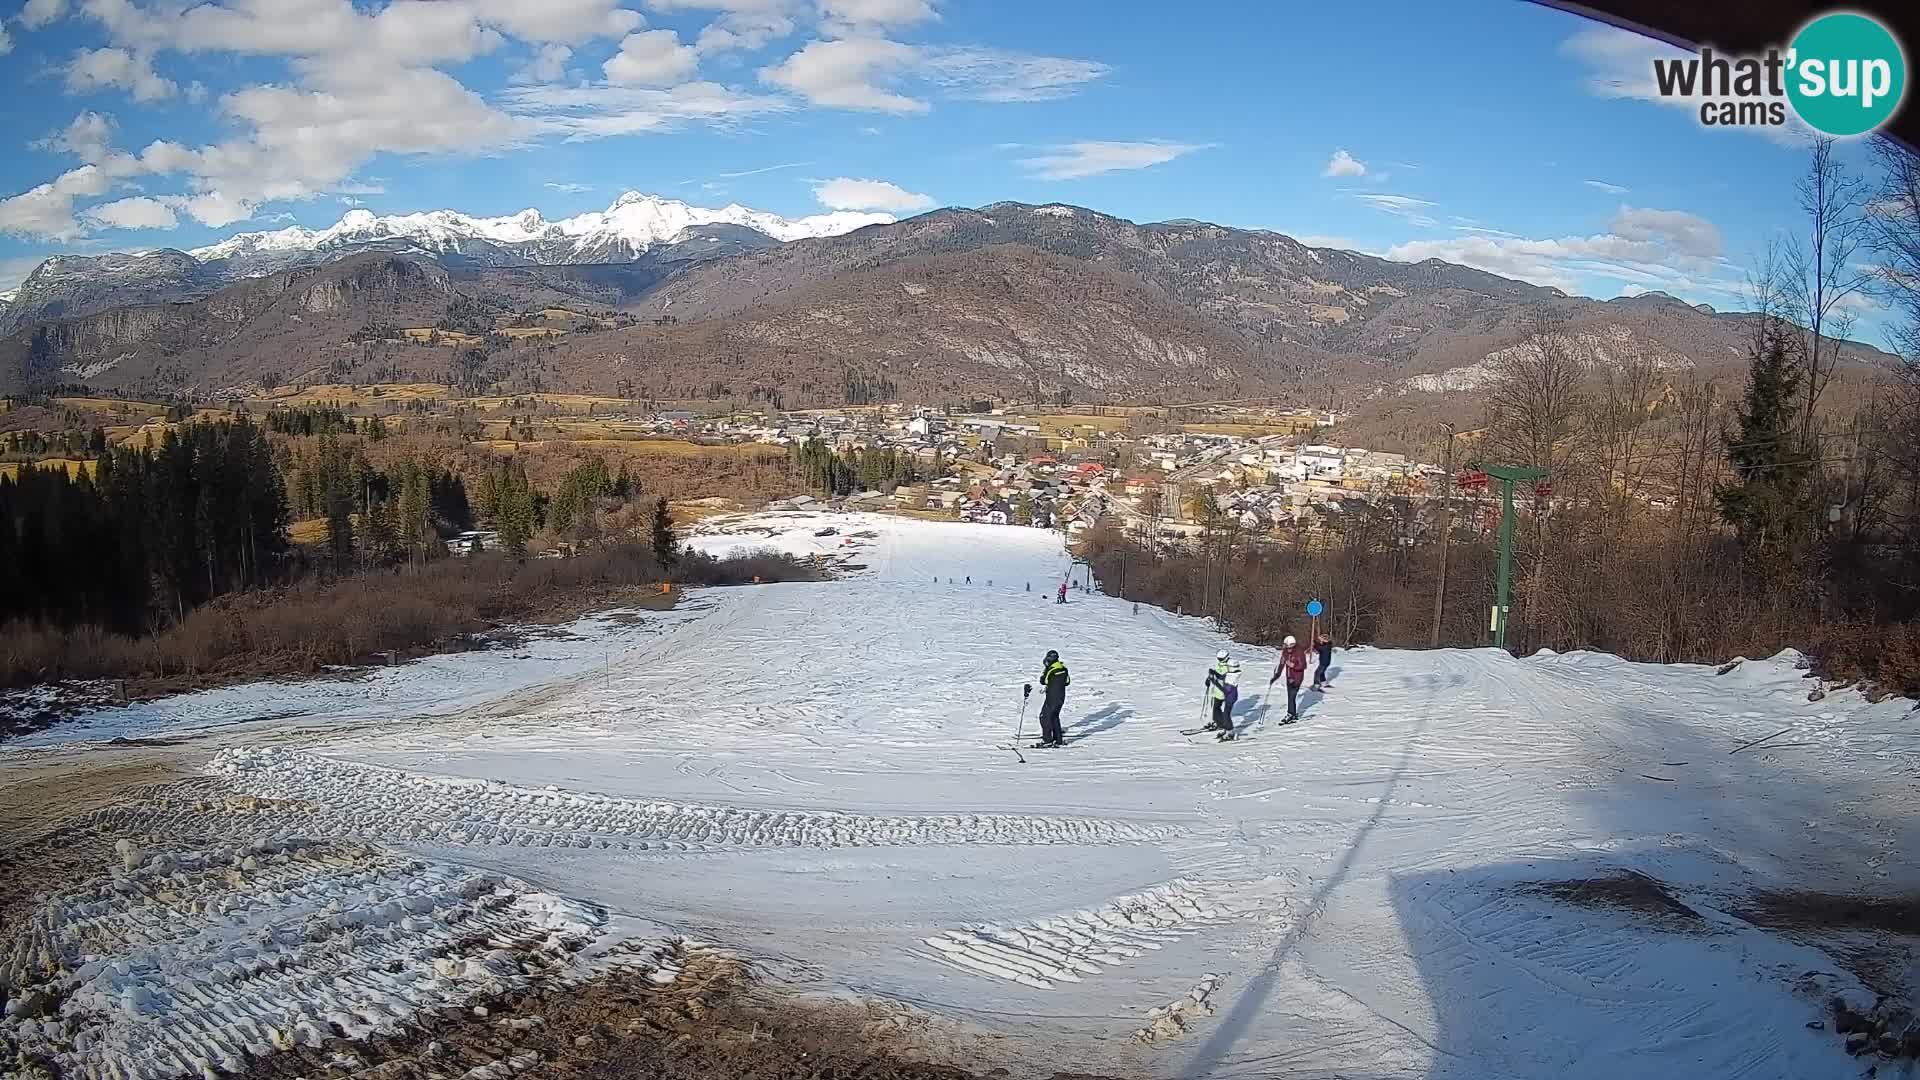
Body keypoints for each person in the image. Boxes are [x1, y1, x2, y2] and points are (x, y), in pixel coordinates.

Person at [1269, 635, 1308, 724]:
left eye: (1290, 647)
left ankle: (1290, 714)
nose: (1288, 649)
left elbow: (1303, 666)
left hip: (1297, 678)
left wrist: (1293, 665)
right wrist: (1276, 676)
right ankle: (1293, 714)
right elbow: (1282, 664)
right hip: (1289, 677)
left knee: (1291, 697)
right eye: (1287, 647)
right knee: (1290, 697)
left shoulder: (1299, 652)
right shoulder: (1285, 652)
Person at [1036, 649, 1071, 747]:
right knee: (1054, 716)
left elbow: (1043, 681)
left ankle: (1047, 740)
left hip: (1052, 697)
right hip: (1061, 697)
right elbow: (1067, 682)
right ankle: (1058, 739)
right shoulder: (1063, 668)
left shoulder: (1051, 669)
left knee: (1044, 717)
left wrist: (1046, 669)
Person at [1205, 650, 1239, 739]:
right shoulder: (1222, 666)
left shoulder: (1229, 670)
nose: (1220, 660)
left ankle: (1229, 730)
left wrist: (1214, 680)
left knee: (1225, 713)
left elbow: (1224, 682)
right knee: (1217, 709)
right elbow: (1220, 676)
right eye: (1218, 658)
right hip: (1219, 691)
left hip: (1225, 694)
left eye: (1221, 659)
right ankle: (1222, 725)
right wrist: (1212, 675)